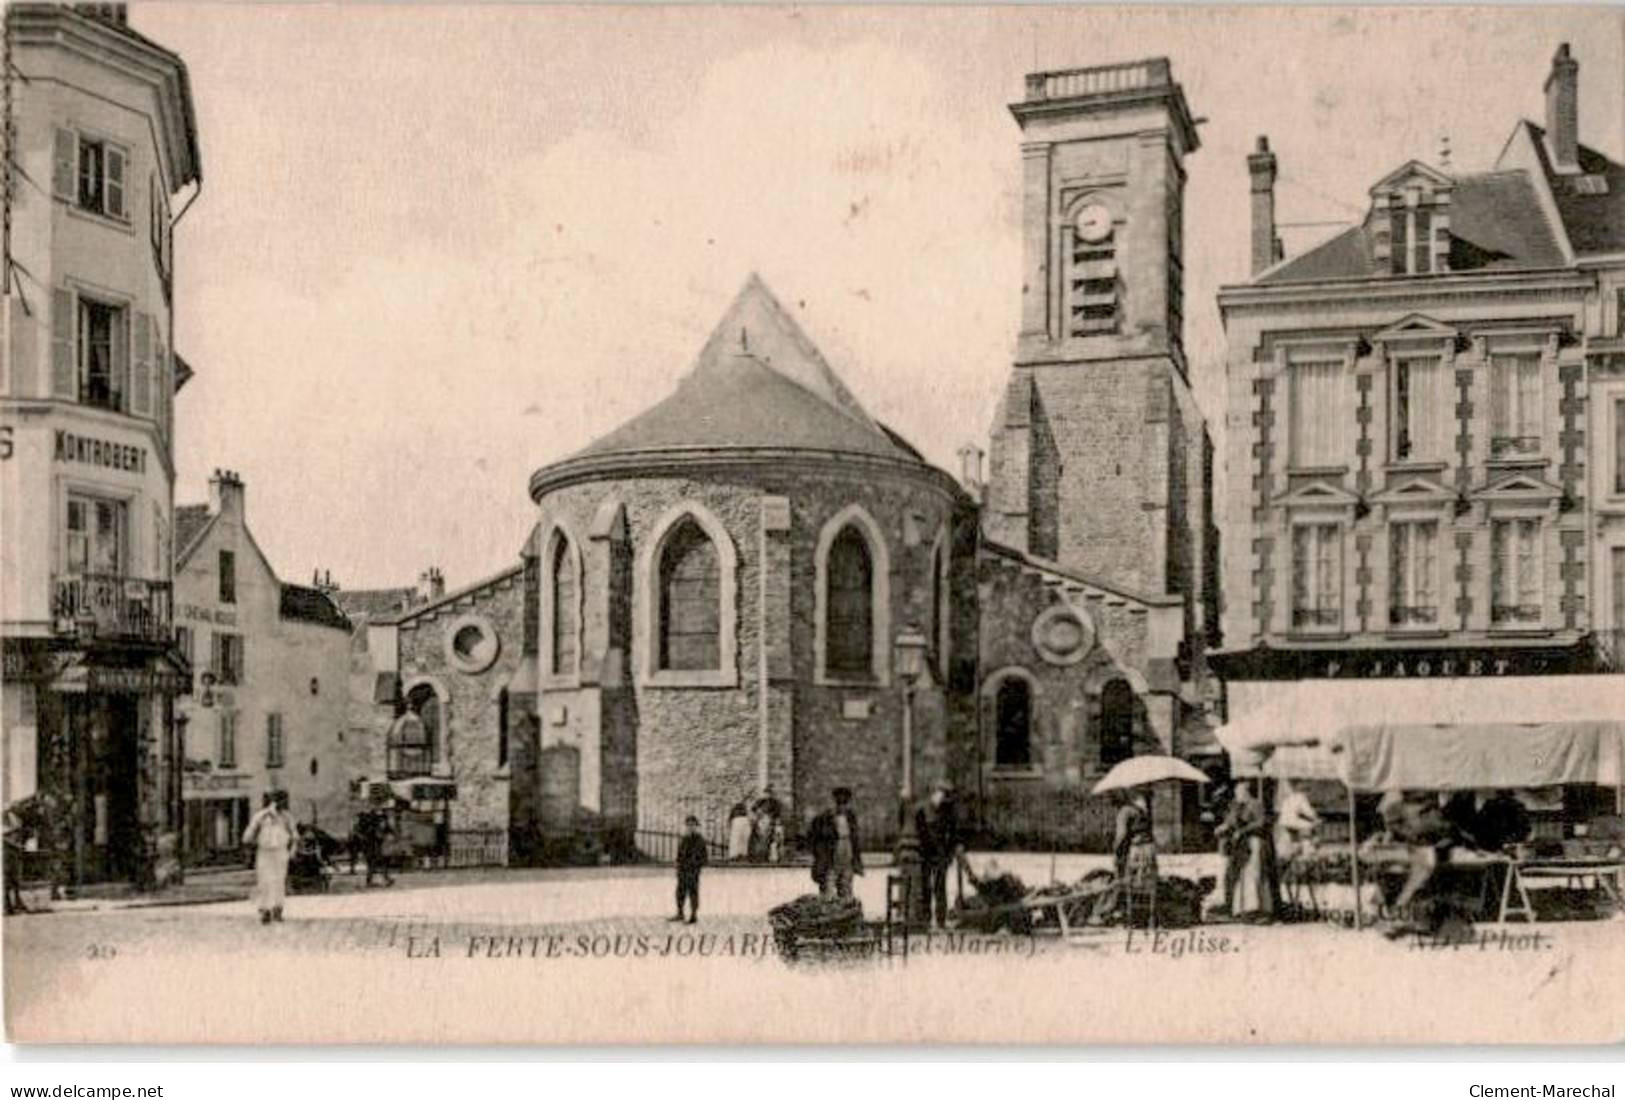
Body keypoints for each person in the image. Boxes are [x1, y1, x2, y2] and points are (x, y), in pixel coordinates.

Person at [915, 779, 964, 929]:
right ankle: (925, 919)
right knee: (925, 887)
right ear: (934, 793)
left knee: (940, 887)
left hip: (941, 854)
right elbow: (918, 832)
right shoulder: (922, 810)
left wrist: (950, 854)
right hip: (925, 854)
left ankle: (940, 920)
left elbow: (954, 833)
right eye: (942, 793)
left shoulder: (948, 811)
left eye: (946, 795)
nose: (943, 798)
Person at [242, 791, 296, 924]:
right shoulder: (260, 817)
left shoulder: (286, 817)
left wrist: (292, 851)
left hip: (281, 851)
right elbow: (247, 836)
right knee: (264, 881)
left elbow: (294, 835)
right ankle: (265, 909)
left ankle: (278, 909)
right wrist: (252, 842)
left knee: (279, 881)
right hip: (265, 852)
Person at [808, 787, 863, 900]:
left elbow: (855, 838)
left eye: (844, 803)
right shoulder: (825, 818)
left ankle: (845, 906)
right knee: (830, 882)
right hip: (831, 853)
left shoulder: (851, 817)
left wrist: (856, 859)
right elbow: (815, 837)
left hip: (847, 850)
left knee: (846, 882)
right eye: (839, 803)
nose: (842, 806)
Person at [1112, 789, 1157, 924]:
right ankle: (1149, 916)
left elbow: (1121, 835)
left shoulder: (1124, 812)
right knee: (1148, 884)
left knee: (1129, 882)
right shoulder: (1141, 811)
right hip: (1149, 850)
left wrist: (1115, 850)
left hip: (1136, 851)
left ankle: (1129, 916)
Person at [672, 815, 707, 924]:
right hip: (682, 870)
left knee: (693, 892)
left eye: (692, 825)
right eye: (688, 825)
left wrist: (696, 866)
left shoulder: (699, 840)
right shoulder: (684, 839)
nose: (690, 828)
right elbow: (680, 854)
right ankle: (680, 912)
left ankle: (693, 915)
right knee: (680, 892)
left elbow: (703, 857)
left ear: (696, 827)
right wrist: (678, 864)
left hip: (692, 871)